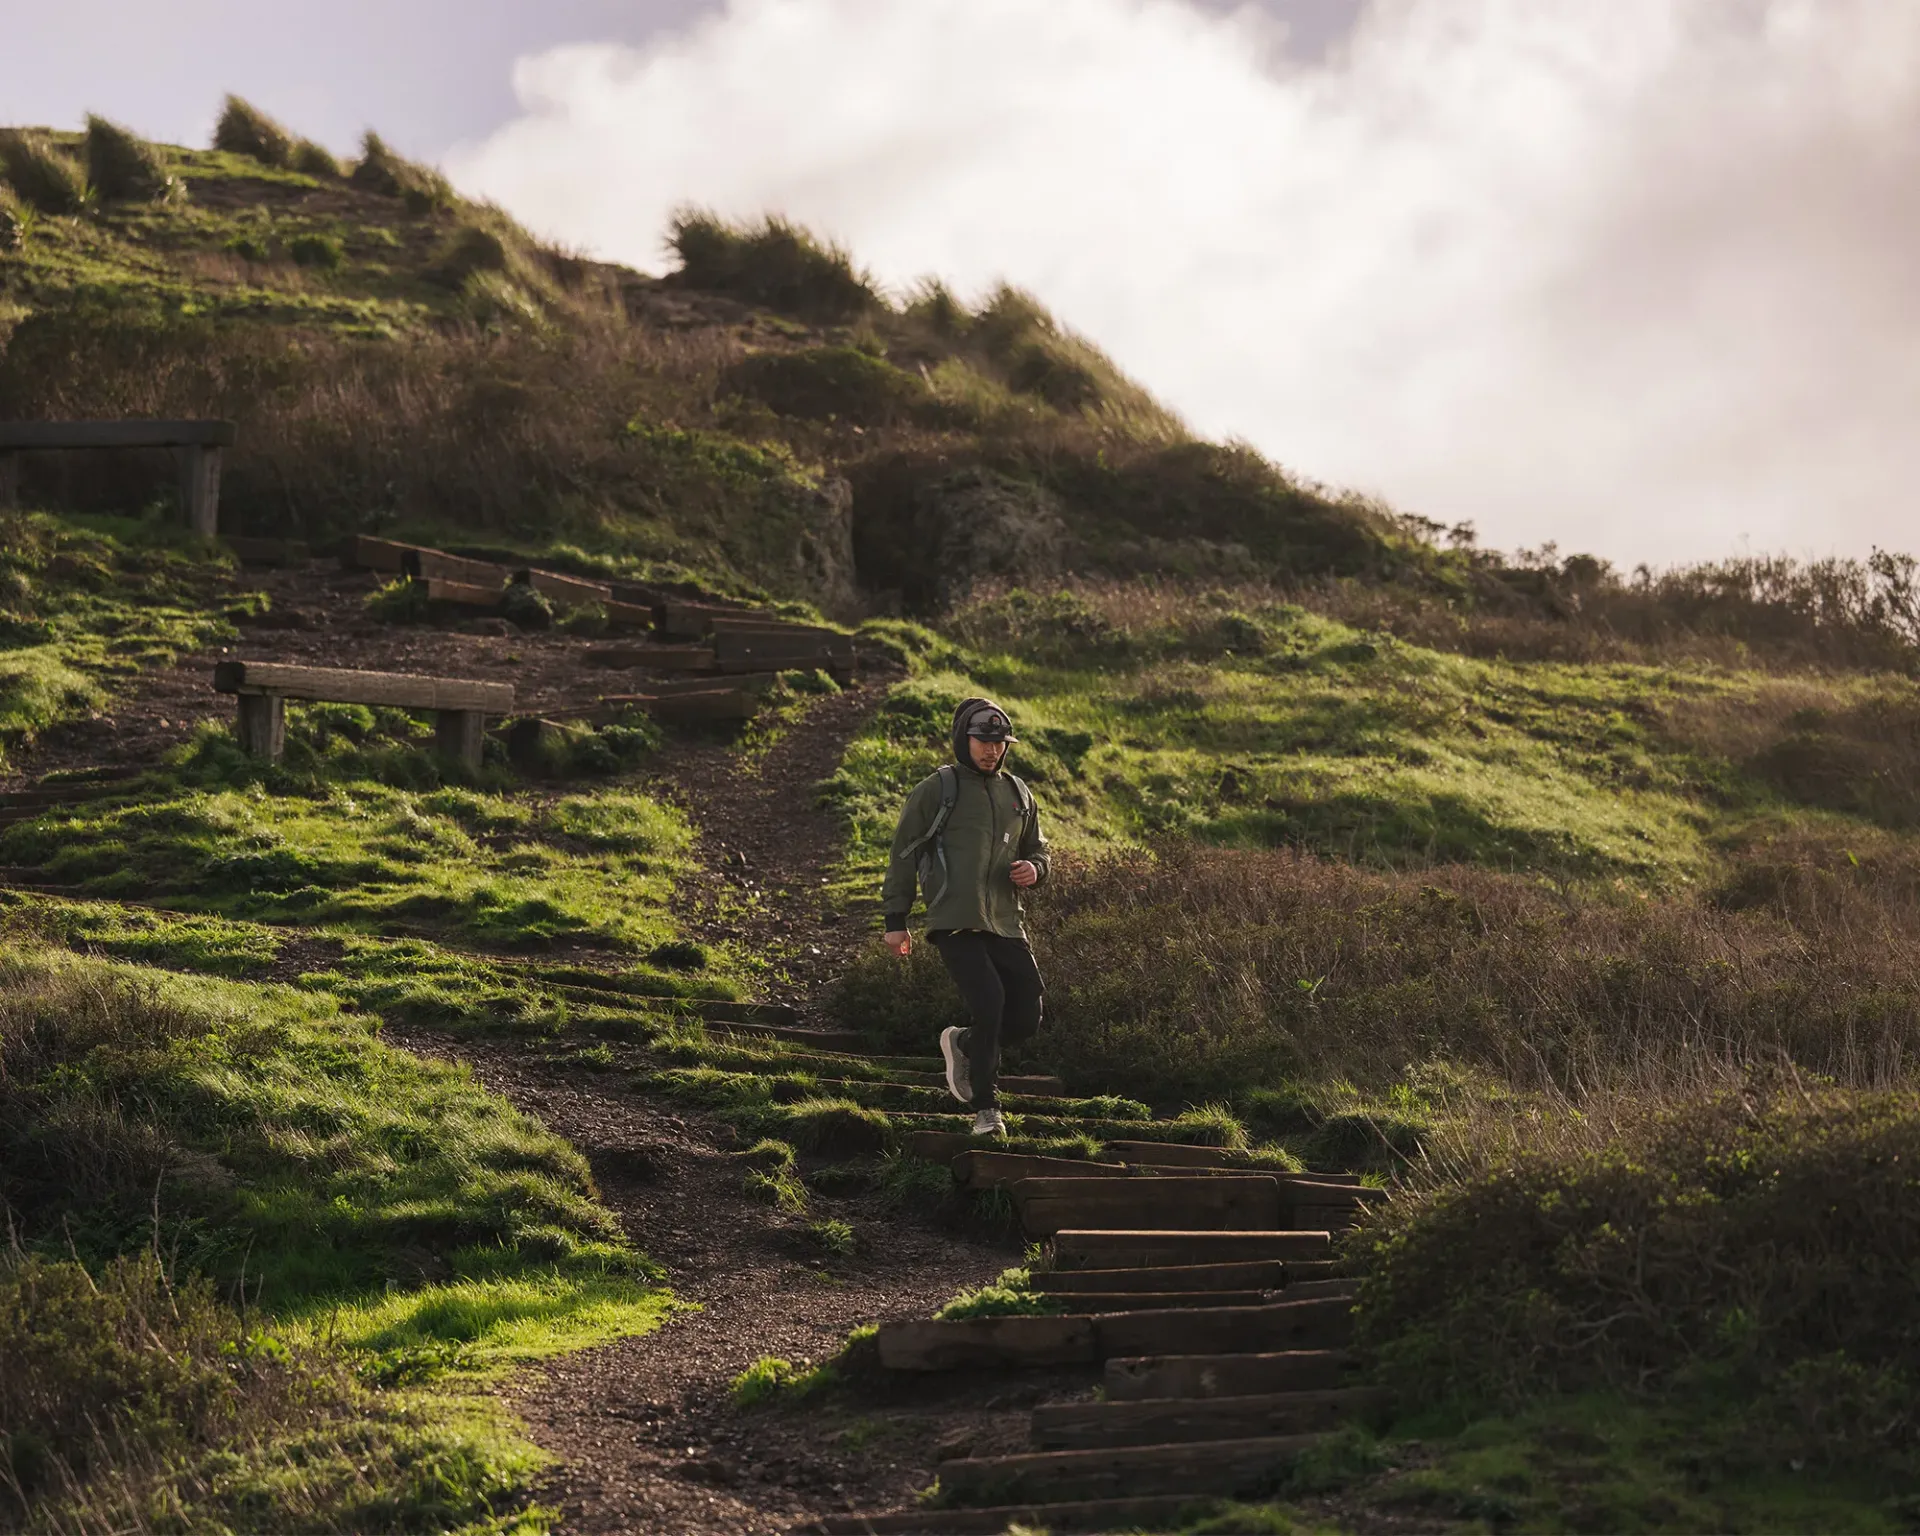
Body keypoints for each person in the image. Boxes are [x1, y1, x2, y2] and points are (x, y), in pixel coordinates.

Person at [880, 697, 1050, 1137]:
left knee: (1027, 1015)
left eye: (999, 743)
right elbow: (903, 853)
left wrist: (1036, 869)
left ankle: (965, 1042)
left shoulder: (1019, 792)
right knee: (990, 1003)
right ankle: (986, 1110)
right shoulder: (938, 788)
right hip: (954, 919)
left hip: (1006, 922)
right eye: (982, 741)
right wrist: (895, 919)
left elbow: (1038, 850)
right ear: (963, 740)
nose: (992, 750)